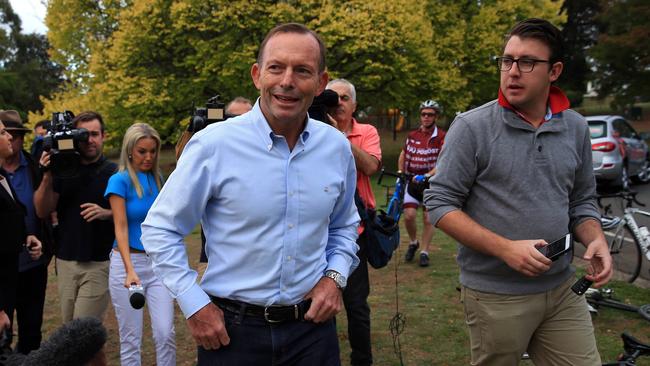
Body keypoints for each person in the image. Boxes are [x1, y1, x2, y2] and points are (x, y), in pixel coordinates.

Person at [141, 23, 360, 365]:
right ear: (257, 75)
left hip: (313, 332)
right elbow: (160, 229)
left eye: (302, 70)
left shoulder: (335, 147)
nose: (287, 81)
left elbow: (345, 225)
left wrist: (334, 278)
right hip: (232, 334)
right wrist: (193, 303)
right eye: (276, 67)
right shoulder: (213, 145)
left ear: (320, 82)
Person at [425, 18, 612, 365]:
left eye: (527, 62)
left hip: (562, 290)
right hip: (495, 295)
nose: (512, 71)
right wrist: (505, 249)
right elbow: (438, 202)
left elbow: (582, 200)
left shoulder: (575, 127)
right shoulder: (472, 127)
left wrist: (595, 238)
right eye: (507, 60)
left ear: (553, 71)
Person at [34, 111, 117, 323]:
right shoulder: (62, 169)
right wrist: (47, 174)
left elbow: (133, 215)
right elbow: (42, 211)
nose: (89, 140)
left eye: (95, 134)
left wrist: (107, 213)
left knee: (82, 331)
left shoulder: (115, 173)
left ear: (103, 136)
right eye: (84, 134)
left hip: (99, 262)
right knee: (69, 328)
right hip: (65, 261)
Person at [105, 123, 175, 365]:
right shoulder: (119, 181)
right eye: (142, 151)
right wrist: (129, 270)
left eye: (153, 151)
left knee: (166, 333)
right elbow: (121, 227)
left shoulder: (158, 179)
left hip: (157, 264)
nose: (148, 157)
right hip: (128, 263)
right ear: (130, 151)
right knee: (131, 338)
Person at [326, 78, 381, 366]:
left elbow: (371, 166)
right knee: (320, 302)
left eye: (344, 98)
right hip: (320, 231)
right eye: (332, 98)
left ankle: (363, 360)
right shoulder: (313, 130)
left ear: (354, 105)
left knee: (356, 304)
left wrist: (340, 138)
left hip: (355, 232)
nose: (339, 103)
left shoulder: (366, 132)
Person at [0, 111, 52, 354]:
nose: (11, 139)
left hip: (32, 266)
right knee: (3, 338)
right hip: (4, 275)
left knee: (32, 333)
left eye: (16, 135)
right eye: (4, 134)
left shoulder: (33, 167)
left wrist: (28, 238)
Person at [398, 100, 445, 267]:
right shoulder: (413, 135)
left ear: (436, 117)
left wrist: (427, 175)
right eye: (423, 114)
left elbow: (444, 162)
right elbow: (404, 153)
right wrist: (400, 172)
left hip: (430, 184)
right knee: (409, 216)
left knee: (427, 218)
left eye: (430, 114)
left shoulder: (441, 137)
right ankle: (413, 242)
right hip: (412, 181)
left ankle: (424, 251)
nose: (426, 117)